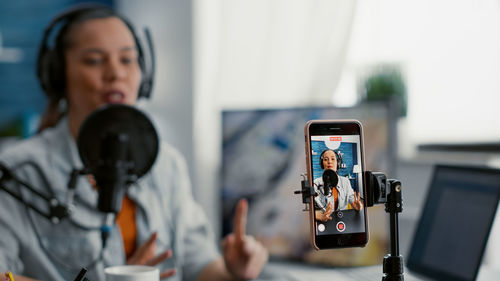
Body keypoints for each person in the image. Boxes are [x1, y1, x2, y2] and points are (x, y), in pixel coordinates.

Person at [0, 5, 268, 281]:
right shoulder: (18, 172)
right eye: (94, 60)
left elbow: (200, 267)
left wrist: (234, 271)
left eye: (127, 60)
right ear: (58, 75)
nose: (116, 73)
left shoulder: (166, 164)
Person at [313, 149, 362, 222]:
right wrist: (320, 216)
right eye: (326, 159)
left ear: (338, 163)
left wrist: (358, 206)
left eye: (333, 159)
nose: (329, 162)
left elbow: (353, 200)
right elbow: (311, 209)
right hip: (324, 223)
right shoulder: (316, 183)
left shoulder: (346, 182)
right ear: (322, 163)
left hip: (343, 221)